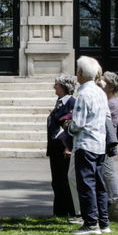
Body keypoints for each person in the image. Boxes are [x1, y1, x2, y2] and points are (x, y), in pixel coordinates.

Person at [68, 55, 111, 235]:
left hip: (85, 143)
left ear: (80, 72)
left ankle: (91, 223)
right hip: (99, 143)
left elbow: (78, 123)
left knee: (86, 184)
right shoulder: (100, 92)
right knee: (99, 185)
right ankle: (104, 222)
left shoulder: (83, 94)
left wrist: (68, 127)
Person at [46, 73, 77, 218]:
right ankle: (59, 211)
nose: (54, 87)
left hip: (64, 148)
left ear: (64, 86)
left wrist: (68, 147)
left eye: (56, 85)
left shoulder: (72, 103)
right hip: (55, 148)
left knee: (65, 181)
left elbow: (72, 127)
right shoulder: (59, 102)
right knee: (57, 181)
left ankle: (70, 211)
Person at [101, 70, 118, 202]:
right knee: (105, 171)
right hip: (104, 139)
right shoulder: (107, 100)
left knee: (108, 171)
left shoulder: (111, 103)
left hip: (108, 141)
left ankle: (115, 198)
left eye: (104, 82)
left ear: (110, 86)